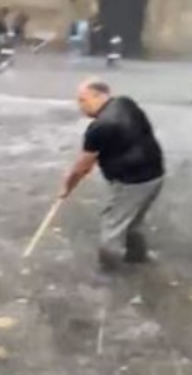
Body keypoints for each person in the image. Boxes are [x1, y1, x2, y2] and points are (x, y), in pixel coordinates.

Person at [60, 79, 165, 269]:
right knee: (133, 218)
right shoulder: (126, 103)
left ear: (99, 95)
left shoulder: (100, 127)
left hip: (133, 181)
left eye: (83, 100)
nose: (80, 107)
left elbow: (82, 166)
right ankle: (137, 255)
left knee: (113, 222)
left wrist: (67, 187)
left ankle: (109, 269)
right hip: (156, 174)